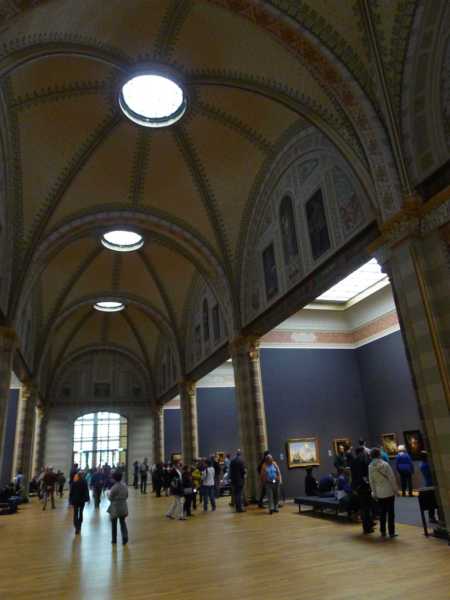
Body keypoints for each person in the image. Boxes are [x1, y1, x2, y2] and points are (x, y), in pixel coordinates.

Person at [369, 448, 398, 539]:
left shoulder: (370, 466)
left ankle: (383, 531)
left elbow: (371, 481)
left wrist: (374, 493)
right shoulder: (385, 464)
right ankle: (391, 532)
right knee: (391, 513)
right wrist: (396, 490)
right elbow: (392, 478)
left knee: (382, 513)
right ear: (379, 455)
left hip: (379, 493)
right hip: (389, 492)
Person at [351, 446, 374, 534]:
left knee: (363, 507)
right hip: (365, 486)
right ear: (362, 452)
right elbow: (366, 474)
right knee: (367, 507)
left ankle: (366, 526)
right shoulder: (364, 460)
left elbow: (353, 475)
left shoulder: (353, 461)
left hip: (357, 487)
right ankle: (368, 526)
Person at [108, 470, 129, 545]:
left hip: (115, 508)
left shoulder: (114, 487)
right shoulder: (124, 486)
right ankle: (125, 537)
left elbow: (110, 498)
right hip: (123, 506)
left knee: (114, 524)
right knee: (123, 522)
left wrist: (108, 495)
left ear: (114, 478)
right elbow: (127, 495)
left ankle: (114, 539)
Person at [419, 451, 437, 523]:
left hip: (428, 484)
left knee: (431, 502)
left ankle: (431, 517)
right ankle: (433, 517)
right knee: (434, 501)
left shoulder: (422, 465)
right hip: (432, 483)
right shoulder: (428, 465)